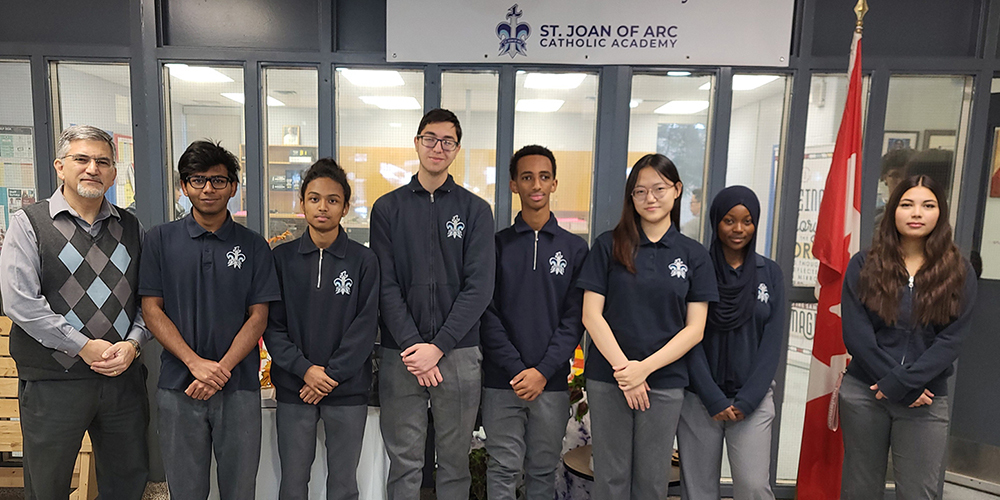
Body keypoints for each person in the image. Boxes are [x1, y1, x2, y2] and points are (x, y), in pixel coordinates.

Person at [0, 125, 150, 499]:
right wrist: (82, 345)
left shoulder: (132, 227)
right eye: (81, 159)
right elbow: (20, 301)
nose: (92, 169)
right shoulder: (29, 224)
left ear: (114, 173)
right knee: (48, 486)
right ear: (60, 167)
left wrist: (132, 345)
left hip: (121, 381)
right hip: (54, 383)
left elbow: (149, 300)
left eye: (102, 162)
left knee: (127, 483)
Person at [139, 140, 281, 500]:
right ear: (184, 186)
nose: (207, 189)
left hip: (239, 387)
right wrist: (195, 364)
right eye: (197, 179)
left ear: (233, 186)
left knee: (239, 488)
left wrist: (221, 369)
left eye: (218, 181)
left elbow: (258, 316)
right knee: (186, 490)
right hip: (179, 385)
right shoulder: (159, 240)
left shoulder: (253, 246)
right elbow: (151, 309)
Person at [371, 108, 495, 500]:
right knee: (404, 463)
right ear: (416, 142)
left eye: (447, 141)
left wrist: (438, 347)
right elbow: (384, 285)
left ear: (456, 150)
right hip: (400, 355)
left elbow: (479, 288)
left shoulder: (476, 211)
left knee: (456, 463)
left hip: (457, 352)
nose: (437, 147)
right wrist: (414, 348)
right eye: (430, 138)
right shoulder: (387, 209)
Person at [577, 153, 718, 500]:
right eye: (640, 192)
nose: (650, 198)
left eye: (659, 188)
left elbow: (694, 328)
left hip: (665, 382)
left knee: (653, 479)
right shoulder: (608, 245)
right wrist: (626, 371)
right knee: (610, 476)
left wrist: (644, 370)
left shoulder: (693, 255)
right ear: (631, 197)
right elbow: (591, 315)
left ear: (677, 190)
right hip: (609, 378)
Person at [840, 174, 977, 499]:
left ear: (940, 213)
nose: (917, 213)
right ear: (893, 211)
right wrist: (891, 381)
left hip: (925, 398)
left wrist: (906, 384)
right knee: (860, 488)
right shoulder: (864, 264)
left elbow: (951, 340)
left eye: (927, 205)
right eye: (907, 204)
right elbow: (857, 335)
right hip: (865, 393)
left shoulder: (959, 270)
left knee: (919, 491)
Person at [263, 159, 379, 500]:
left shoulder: (364, 261)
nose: (322, 207)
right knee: (293, 482)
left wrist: (329, 375)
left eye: (332, 200)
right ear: (302, 204)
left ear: (345, 206)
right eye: (314, 198)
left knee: (343, 485)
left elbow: (365, 324)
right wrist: (305, 371)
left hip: (347, 390)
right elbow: (273, 324)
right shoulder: (281, 259)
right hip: (295, 389)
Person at [480, 145, 588, 500]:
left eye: (543, 177)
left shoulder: (575, 249)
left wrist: (542, 370)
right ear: (514, 185)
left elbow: (575, 319)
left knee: (543, 471)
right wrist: (516, 369)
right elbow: (486, 312)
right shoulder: (495, 247)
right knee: (502, 469)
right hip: (501, 382)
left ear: (555, 183)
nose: (536, 185)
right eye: (527, 177)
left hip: (551, 384)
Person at [677, 186, 784, 500]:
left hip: (752, 400)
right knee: (698, 490)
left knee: (753, 487)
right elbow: (688, 338)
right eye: (729, 220)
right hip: (699, 400)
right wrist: (712, 397)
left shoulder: (770, 273)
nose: (739, 229)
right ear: (715, 222)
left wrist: (748, 399)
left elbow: (772, 342)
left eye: (747, 221)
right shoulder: (698, 269)